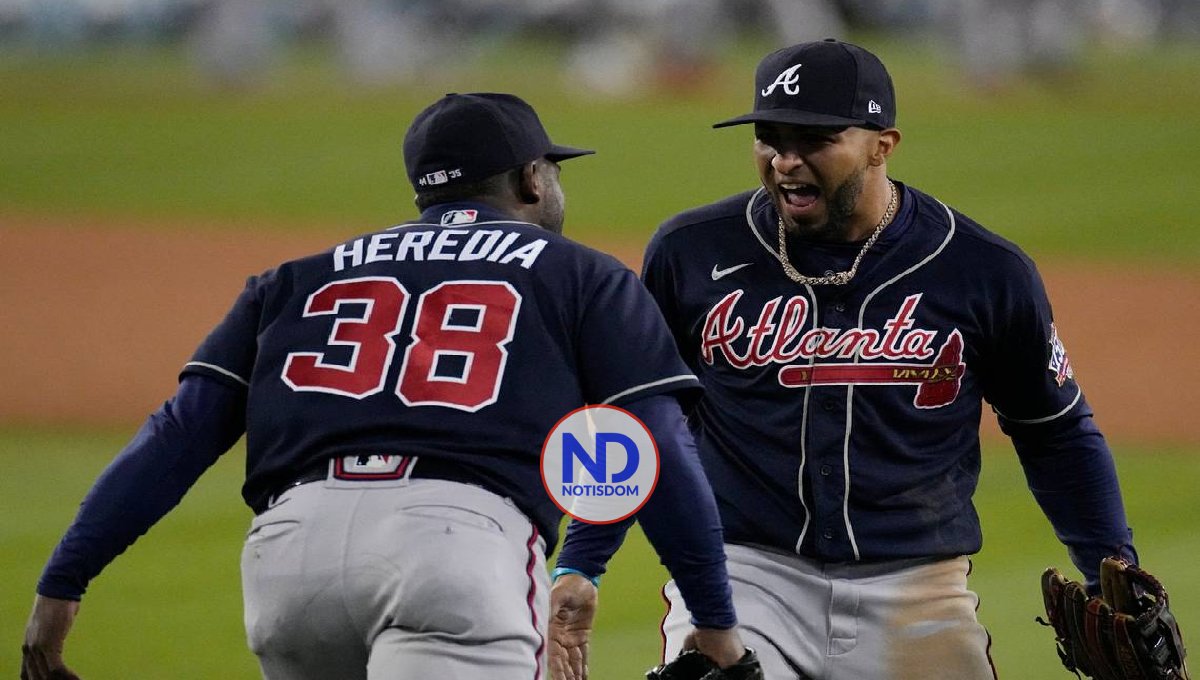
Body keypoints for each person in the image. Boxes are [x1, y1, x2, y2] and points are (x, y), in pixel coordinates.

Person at [20, 92, 749, 680]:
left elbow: (178, 434)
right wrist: (715, 623)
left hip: (287, 561)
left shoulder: (294, 278)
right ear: (531, 178)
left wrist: (62, 586)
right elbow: (653, 443)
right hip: (455, 548)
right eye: (553, 170)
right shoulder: (583, 274)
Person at [551, 39, 1138, 679]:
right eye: (770, 139)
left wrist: (1113, 571)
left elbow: (1053, 431)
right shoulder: (692, 252)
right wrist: (581, 562)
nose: (786, 161)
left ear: (883, 145)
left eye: (815, 140)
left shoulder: (982, 269)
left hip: (918, 589)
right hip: (743, 578)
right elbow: (635, 417)